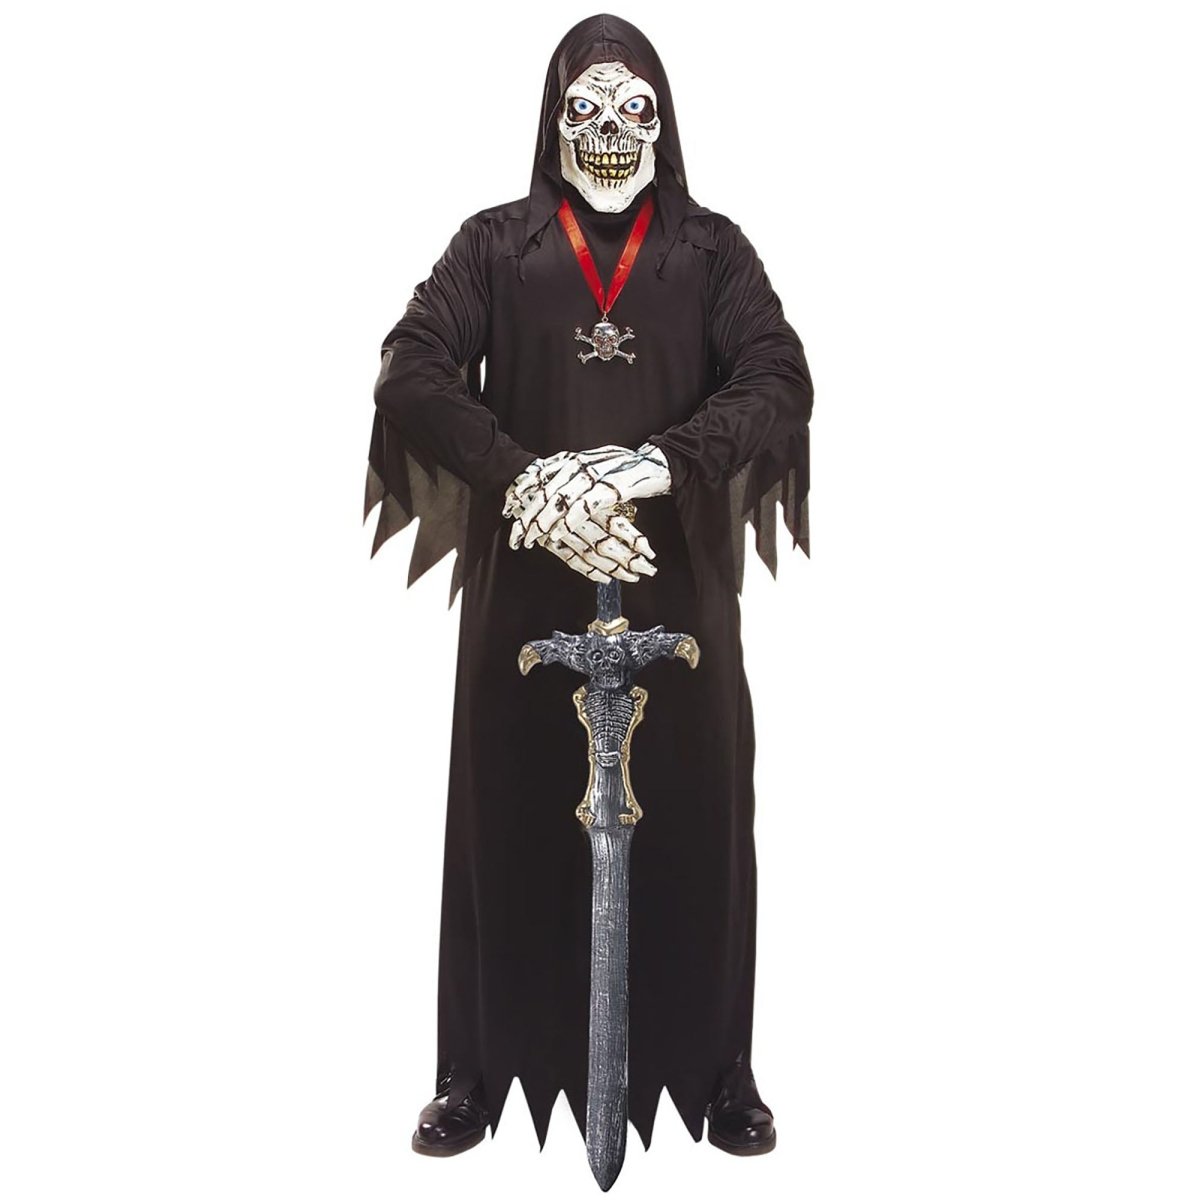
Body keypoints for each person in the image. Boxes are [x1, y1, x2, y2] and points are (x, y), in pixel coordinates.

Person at [364, 12, 812, 1161]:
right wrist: (530, 484)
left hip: (678, 599)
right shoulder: (493, 248)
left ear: (663, 123)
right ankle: (470, 1072)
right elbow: (411, 367)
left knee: (700, 825)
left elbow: (778, 374)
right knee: (504, 822)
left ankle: (721, 1073)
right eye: (587, 109)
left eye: (633, 110)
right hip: (526, 600)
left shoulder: (710, 253)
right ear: (552, 122)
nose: (611, 130)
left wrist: (653, 464)